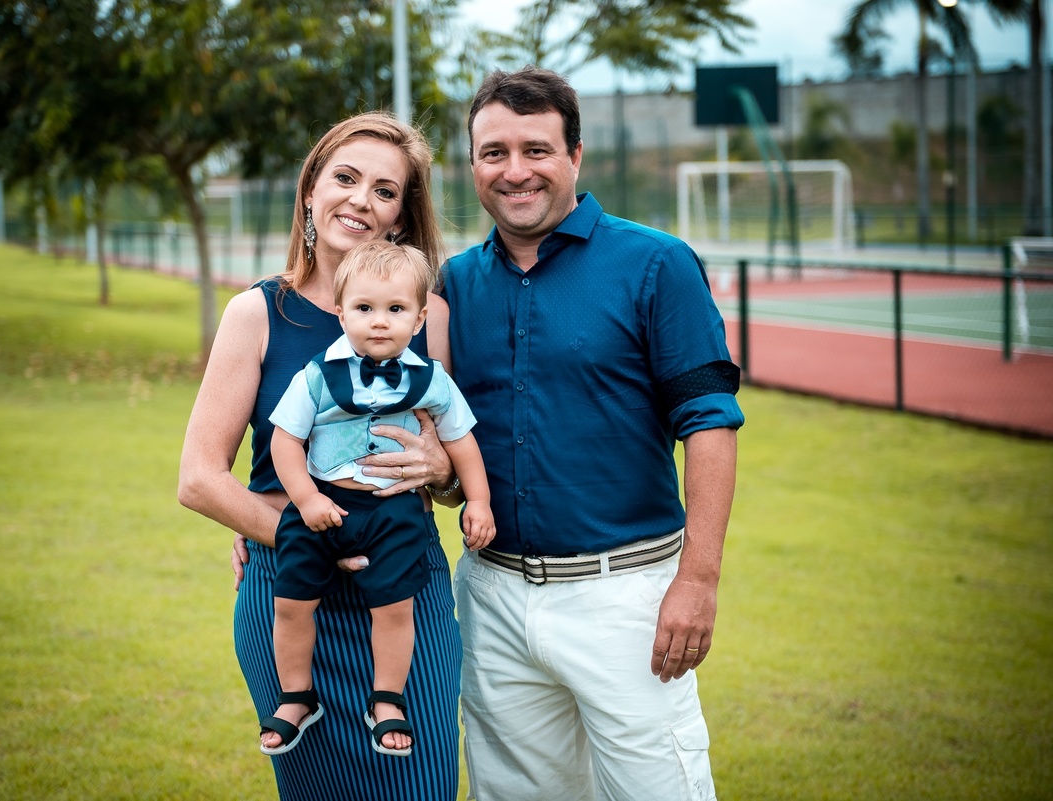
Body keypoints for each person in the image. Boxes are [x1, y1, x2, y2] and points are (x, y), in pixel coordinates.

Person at [439, 67, 744, 801]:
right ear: (473, 165)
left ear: (576, 155)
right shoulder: (451, 285)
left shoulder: (657, 263)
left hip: (626, 598)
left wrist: (697, 579)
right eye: (494, 152)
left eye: (536, 149)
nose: (516, 171)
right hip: (493, 596)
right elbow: (439, 448)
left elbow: (710, 420)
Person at [179, 112, 462, 801]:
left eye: (386, 191)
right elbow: (199, 478)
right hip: (293, 584)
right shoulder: (258, 313)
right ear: (310, 190)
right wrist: (292, 529)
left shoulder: (432, 317)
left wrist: (441, 469)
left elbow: (448, 469)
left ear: (401, 216)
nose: (362, 200)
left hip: (404, 575)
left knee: (420, 782)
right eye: (345, 178)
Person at [260, 240, 494, 758]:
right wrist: (305, 500)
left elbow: (461, 443)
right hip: (322, 502)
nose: (380, 321)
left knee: (394, 606)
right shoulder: (318, 376)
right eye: (365, 308)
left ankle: (386, 699)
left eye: (396, 309)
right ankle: (296, 696)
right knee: (293, 600)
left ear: (420, 317)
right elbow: (285, 441)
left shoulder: (432, 381)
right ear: (341, 312)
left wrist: (477, 501)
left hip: (394, 510)